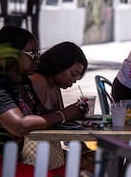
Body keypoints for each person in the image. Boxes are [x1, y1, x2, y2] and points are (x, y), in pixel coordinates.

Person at [0, 26, 87, 177]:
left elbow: (39, 114)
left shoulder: (22, 81)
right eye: (32, 54)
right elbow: (19, 125)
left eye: (38, 53)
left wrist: (73, 113)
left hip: (13, 159)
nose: (38, 59)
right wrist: (64, 114)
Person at [23, 41, 90, 172]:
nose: (74, 80)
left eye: (78, 77)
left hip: (50, 150)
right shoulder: (38, 81)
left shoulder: (55, 86)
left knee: (90, 159)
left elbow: (59, 120)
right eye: (73, 74)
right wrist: (66, 114)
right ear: (60, 65)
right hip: (36, 153)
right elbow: (36, 119)